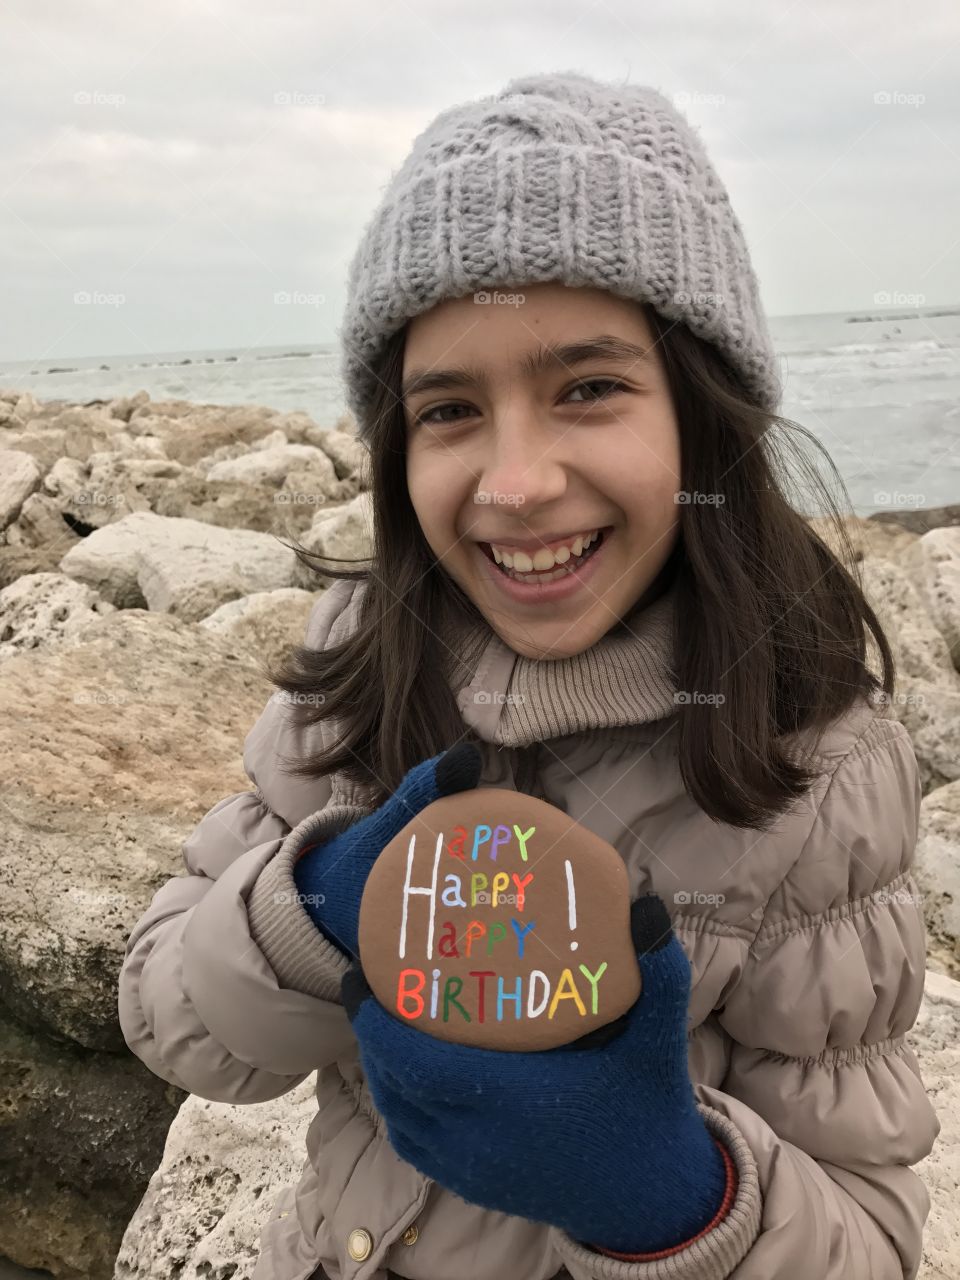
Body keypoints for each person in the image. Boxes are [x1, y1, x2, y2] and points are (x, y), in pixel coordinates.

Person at [117, 71, 940, 1280]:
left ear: (704, 415)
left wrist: (672, 1191)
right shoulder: (362, 670)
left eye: (589, 387)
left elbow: (872, 1237)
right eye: (450, 408)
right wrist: (311, 906)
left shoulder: (812, 763)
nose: (513, 482)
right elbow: (173, 1022)